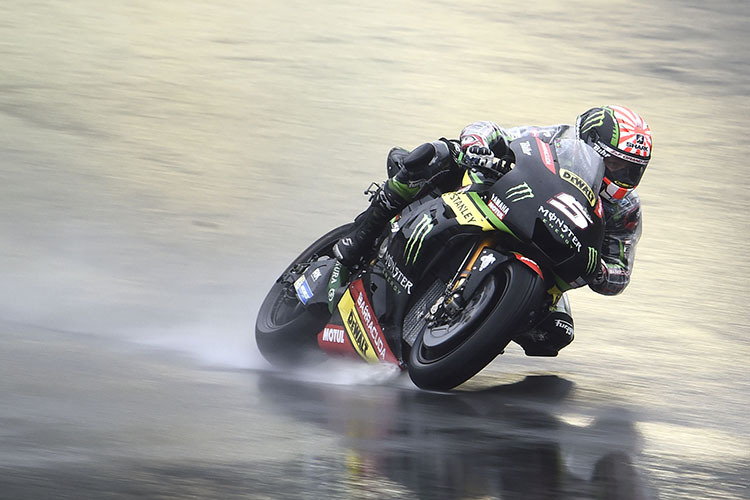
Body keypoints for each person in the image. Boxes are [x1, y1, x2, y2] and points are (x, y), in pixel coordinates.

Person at [333, 105, 652, 356]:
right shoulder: (557, 139)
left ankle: (478, 326)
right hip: (502, 197)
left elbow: (621, 270)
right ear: (591, 146)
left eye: (631, 171)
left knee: (556, 333)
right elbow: (494, 131)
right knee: (438, 154)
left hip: (551, 255)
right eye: (616, 166)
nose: (622, 176)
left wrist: (601, 272)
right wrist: (478, 145)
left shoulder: (625, 210)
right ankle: (359, 236)